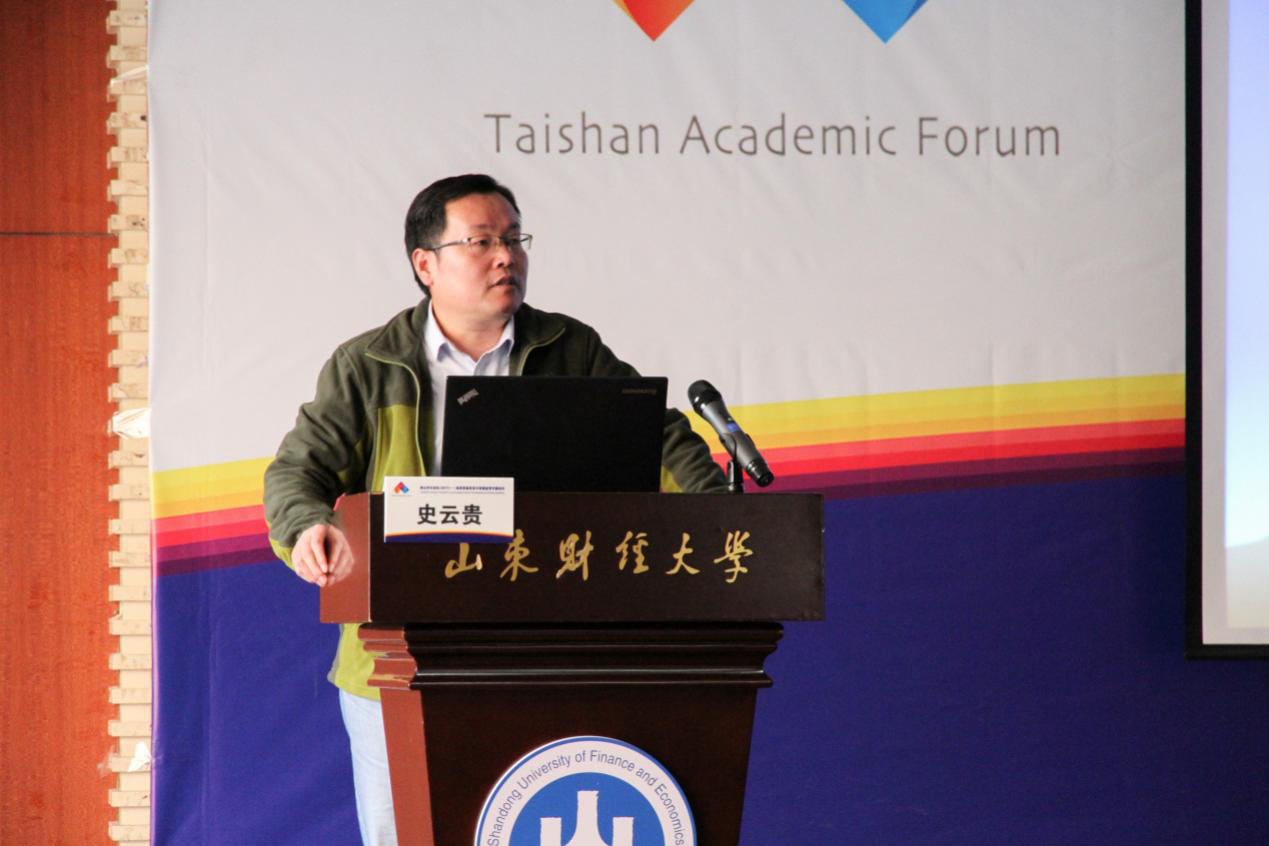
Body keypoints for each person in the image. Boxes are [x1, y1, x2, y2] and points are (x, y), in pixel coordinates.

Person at [263, 174, 726, 844]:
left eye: (514, 239)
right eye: (481, 242)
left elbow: (657, 437)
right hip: (395, 654)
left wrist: (719, 518)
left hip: (536, 646)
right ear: (426, 264)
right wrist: (306, 526)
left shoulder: (570, 350)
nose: (506, 256)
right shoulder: (369, 365)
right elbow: (296, 473)